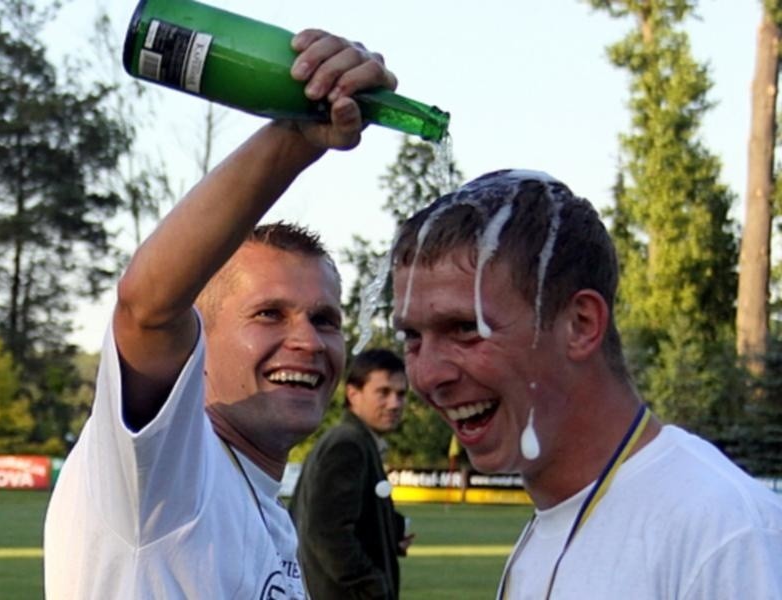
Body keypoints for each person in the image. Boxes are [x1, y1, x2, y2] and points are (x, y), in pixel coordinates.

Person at [43, 28, 398, 599]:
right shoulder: (162, 476)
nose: (307, 340)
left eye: (325, 319)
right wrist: (298, 139)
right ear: (198, 342)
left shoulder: (257, 498)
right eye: (269, 314)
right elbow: (146, 307)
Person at [388, 169, 782, 599]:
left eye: (466, 328)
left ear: (580, 325)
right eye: (412, 337)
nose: (427, 375)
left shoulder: (724, 533)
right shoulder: (552, 525)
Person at [290, 348, 413, 599]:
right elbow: (327, 532)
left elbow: (348, 516)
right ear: (353, 394)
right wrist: (373, 586)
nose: (394, 403)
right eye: (383, 392)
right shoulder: (348, 444)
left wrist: (392, 531)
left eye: (401, 394)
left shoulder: (359, 441)